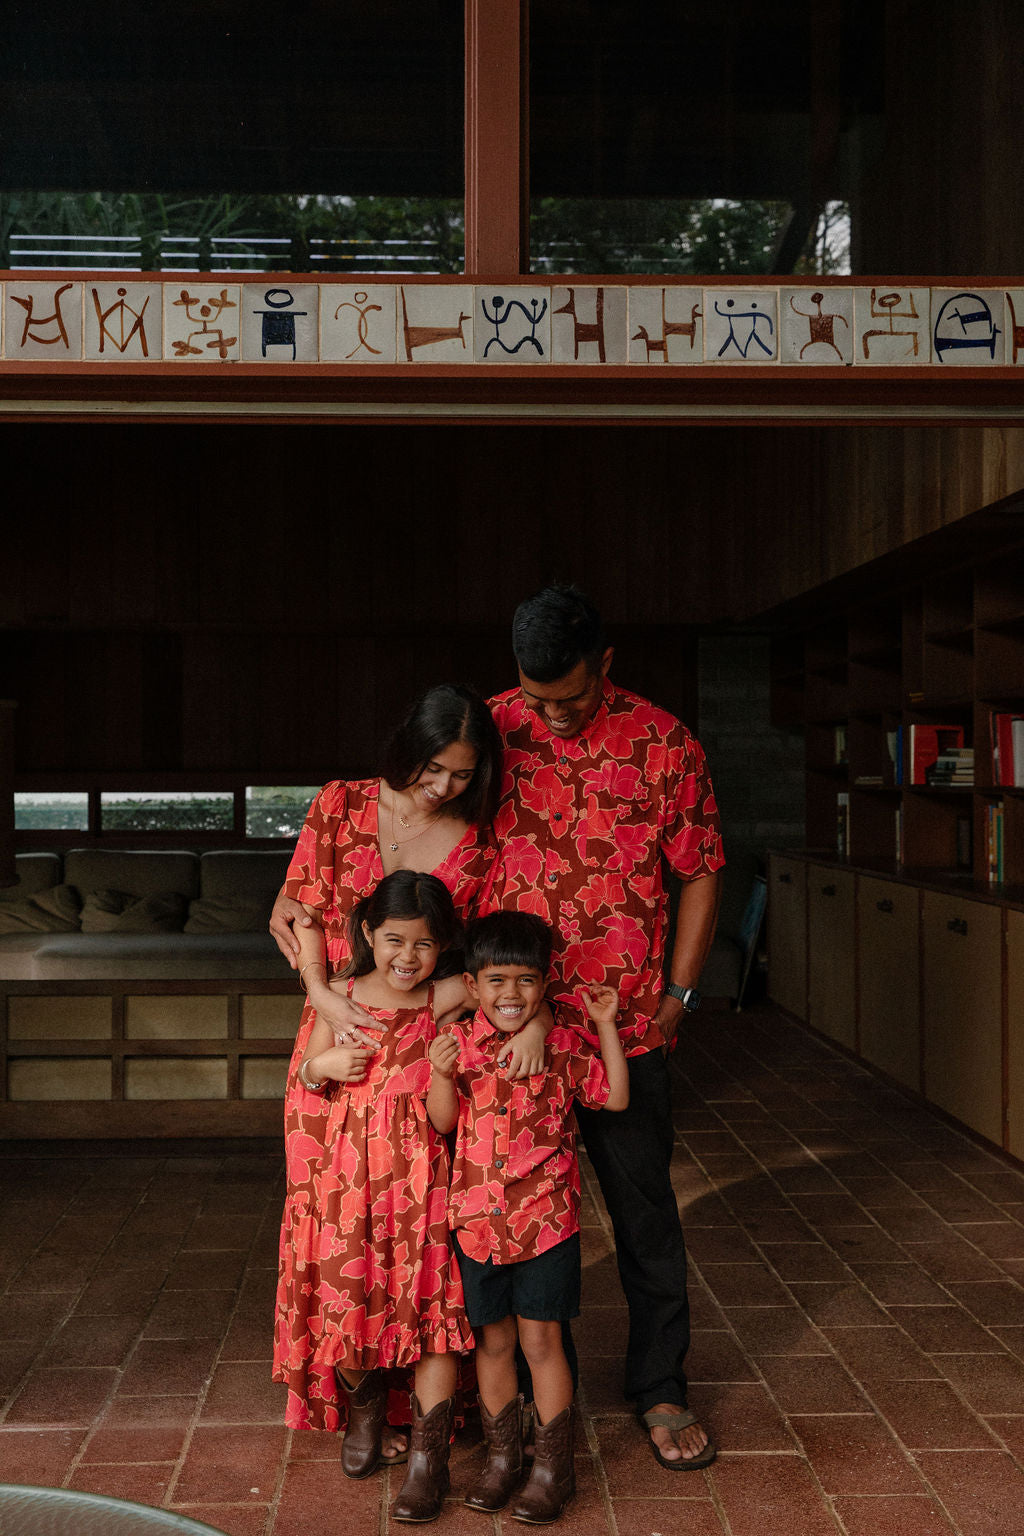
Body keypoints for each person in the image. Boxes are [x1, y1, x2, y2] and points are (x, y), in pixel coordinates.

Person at [271, 684, 545, 1448]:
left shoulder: (481, 839)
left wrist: (523, 1010)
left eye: (462, 773)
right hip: (335, 1039)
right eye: (432, 767)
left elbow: (501, 954)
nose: (443, 786)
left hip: (424, 1049)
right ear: (406, 747)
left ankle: (420, 1420)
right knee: (336, 1235)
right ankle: (362, 1402)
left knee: (416, 1237)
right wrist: (324, 997)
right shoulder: (340, 804)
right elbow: (297, 911)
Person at [491, 586, 723, 1471]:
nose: (551, 716)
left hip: (628, 1028)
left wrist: (682, 991)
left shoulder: (666, 744)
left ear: (608, 664)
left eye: (572, 698)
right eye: (537, 696)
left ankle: (661, 1386)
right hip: (513, 1030)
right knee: (519, 1217)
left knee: (644, 1210)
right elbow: (413, 824)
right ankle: (539, 1398)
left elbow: (700, 871)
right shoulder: (493, 731)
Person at [293, 869, 496, 1524]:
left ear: (443, 948)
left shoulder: (442, 998)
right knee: (350, 1303)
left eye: (424, 945)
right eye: (393, 940)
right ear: (368, 935)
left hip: (425, 1182)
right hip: (351, 1180)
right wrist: (323, 1066)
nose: (407, 957)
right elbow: (307, 1070)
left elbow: (522, 993)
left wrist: (528, 1029)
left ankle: (427, 1460)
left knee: (432, 1312)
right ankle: (365, 1416)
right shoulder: (343, 994)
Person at [427, 911, 628, 1523]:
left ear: (544, 985)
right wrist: (439, 1072)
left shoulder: (562, 1044)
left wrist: (606, 1026)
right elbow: (443, 1123)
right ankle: (502, 1460)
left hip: (545, 1223)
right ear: (472, 984)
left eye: (525, 981)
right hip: (478, 1226)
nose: (510, 995)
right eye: (495, 981)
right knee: (493, 1343)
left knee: (542, 1342)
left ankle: (552, 1468)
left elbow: (614, 1097)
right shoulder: (458, 1046)